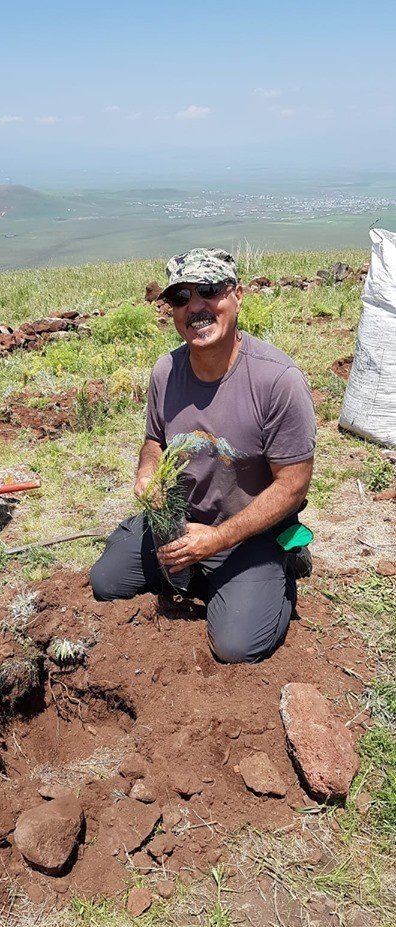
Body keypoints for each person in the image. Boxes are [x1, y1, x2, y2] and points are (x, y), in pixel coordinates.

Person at [90, 248, 316, 664]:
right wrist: (147, 473)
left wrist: (216, 540)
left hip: (249, 531)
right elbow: (154, 441)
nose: (196, 306)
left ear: (237, 296)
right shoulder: (166, 371)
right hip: (179, 524)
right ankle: (201, 575)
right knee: (106, 582)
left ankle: (282, 566)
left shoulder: (277, 380)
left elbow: (293, 485)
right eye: (181, 297)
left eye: (209, 290)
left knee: (236, 647)